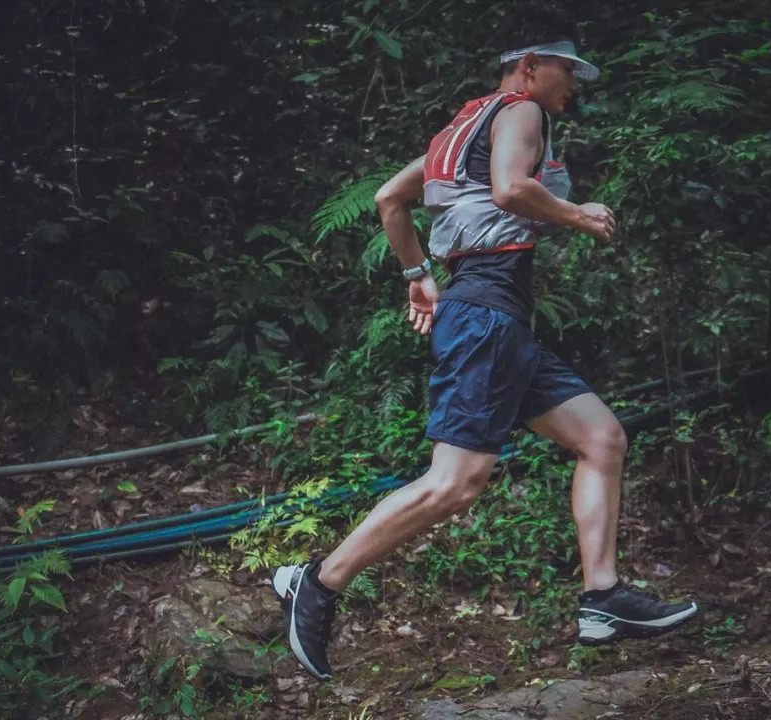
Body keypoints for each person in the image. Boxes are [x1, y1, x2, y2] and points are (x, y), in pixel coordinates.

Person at [273, 18, 698, 681]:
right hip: (487, 316)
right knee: (455, 483)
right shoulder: (520, 109)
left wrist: (419, 279)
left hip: (494, 317)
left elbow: (390, 199)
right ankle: (319, 582)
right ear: (529, 66)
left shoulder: (456, 132)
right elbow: (510, 189)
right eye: (566, 74)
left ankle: (603, 598)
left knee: (602, 439)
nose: (572, 91)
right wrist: (581, 213)